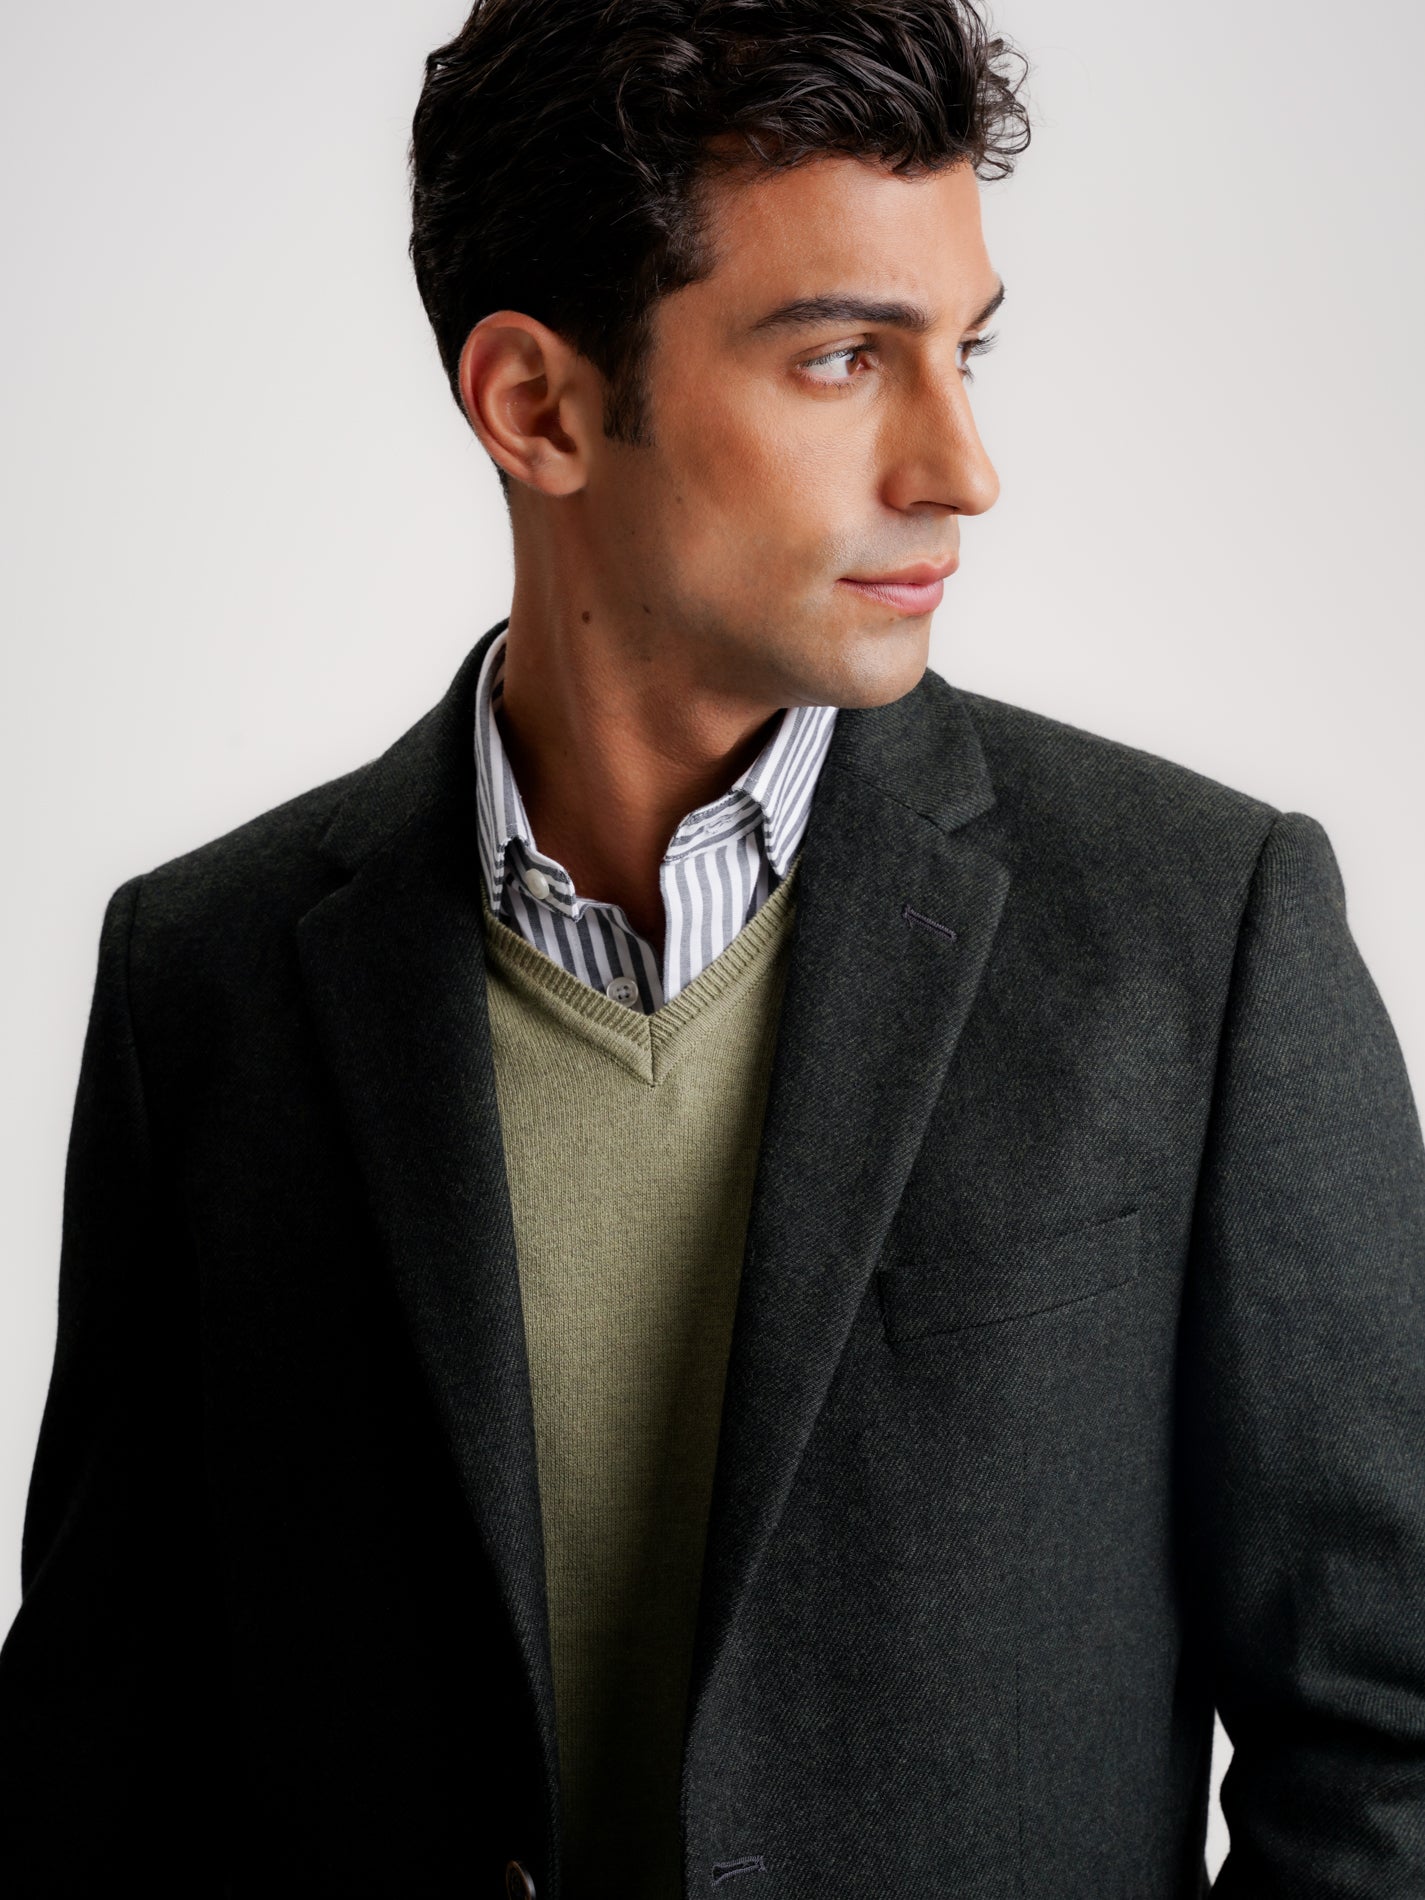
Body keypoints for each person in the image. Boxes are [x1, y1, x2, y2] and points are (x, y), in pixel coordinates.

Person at [2, 0, 1423, 1892]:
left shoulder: (1200, 931)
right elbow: (99, 1770)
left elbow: (1388, 1732)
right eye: (841, 358)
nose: (960, 466)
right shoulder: (207, 979)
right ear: (537, 405)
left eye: (965, 351)